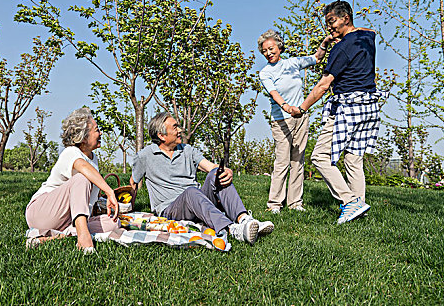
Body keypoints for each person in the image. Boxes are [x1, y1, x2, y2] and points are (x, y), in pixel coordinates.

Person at [291, 0, 386, 224]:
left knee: (320, 156)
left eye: (332, 21)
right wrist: (331, 38)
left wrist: (302, 108)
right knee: (353, 159)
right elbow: (368, 29)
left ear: (345, 18)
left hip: (348, 107)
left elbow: (324, 85)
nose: (329, 27)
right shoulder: (367, 38)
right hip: (369, 106)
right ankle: (358, 208)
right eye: (327, 24)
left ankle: (349, 201)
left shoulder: (342, 48)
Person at [129, 112, 274, 245]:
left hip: (197, 201)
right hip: (170, 209)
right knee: (191, 192)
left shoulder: (187, 150)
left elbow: (210, 167)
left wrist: (225, 171)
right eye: (175, 127)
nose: (180, 130)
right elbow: (133, 182)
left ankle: (244, 219)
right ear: (161, 135)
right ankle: (232, 229)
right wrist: (128, 207)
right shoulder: (145, 156)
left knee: (217, 173)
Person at [25, 107, 120, 253]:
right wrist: (109, 191)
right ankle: (83, 238)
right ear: (82, 137)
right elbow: (82, 167)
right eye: (96, 130)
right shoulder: (71, 152)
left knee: (113, 223)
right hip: (42, 213)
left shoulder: (94, 159)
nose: (100, 133)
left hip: (67, 220)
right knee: (82, 177)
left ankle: (53, 238)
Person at [257, 29, 332, 214]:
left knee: (298, 161)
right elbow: (273, 93)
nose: (269, 53)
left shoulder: (293, 63)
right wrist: (287, 107)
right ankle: (274, 204)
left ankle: (295, 203)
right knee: (282, 161)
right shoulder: (265, 72)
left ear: (279, 47)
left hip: (301, 117)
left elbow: (317, 58)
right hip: (282, 120)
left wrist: (325, 42)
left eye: (271, 48)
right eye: (265, 50)